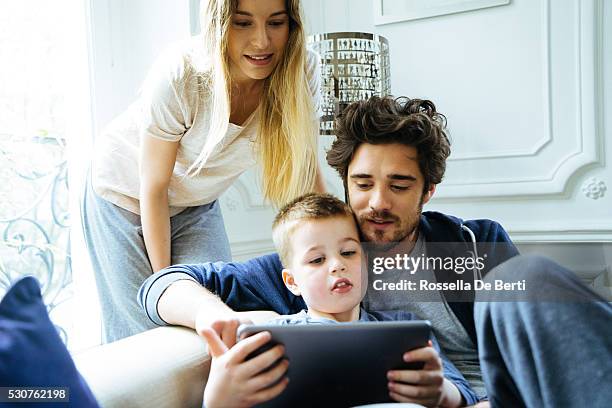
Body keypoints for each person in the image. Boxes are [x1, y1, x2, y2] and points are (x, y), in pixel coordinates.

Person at [138, 96, 612, 406]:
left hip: (500, 397)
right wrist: (209, 315)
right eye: (362, 184)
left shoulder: (472, 243)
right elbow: (160, 286)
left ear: (428, 192)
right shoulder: (324, 260)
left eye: (399, 185)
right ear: (345, 183)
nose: (378, 202)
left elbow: (525, 338)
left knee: (531, 278)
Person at [81, 0, 324, 342]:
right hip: (125, 196)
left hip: (197, 204)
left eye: (276, 23)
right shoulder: (182, 74)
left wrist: (333, 243)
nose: (262, 41)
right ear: (219, 23)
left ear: (292, 25)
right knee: (146, 336)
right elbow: (153, 188)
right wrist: (167, 287)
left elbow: (306, 170)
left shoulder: (302, 70)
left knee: (217, 320)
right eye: (243, 23)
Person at [200, 193, 478, 407]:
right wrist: (217, 400)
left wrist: (441, 391)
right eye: (317, 260)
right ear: (292, 282)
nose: (337, 265)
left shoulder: (405, 327)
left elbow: (462, 391)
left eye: (348, 252)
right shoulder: (273, 337)